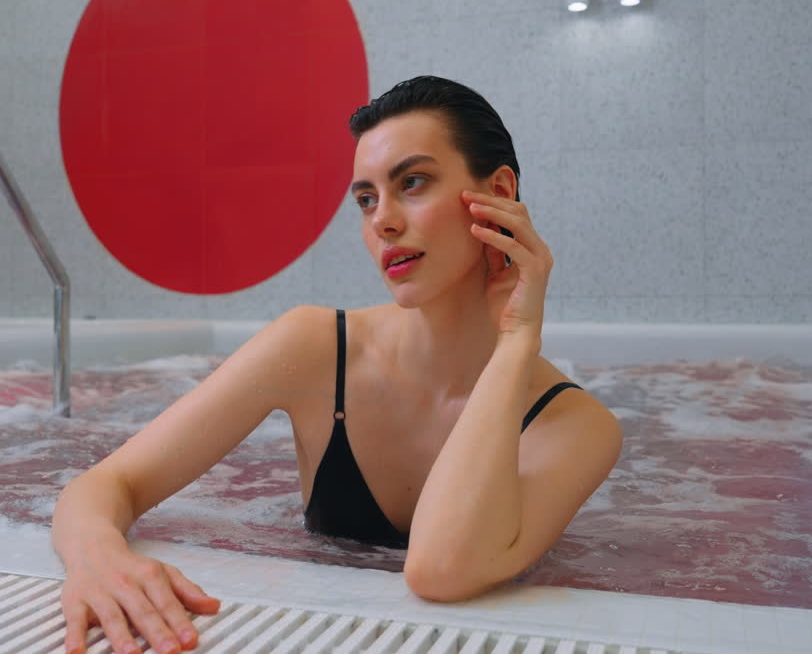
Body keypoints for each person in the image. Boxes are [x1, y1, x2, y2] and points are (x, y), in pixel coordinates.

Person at [51, 75, 624, 654]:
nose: (383, 222)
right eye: (367, 199)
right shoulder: (314, 348)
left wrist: (516, 343)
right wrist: (98, 557)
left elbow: (440, 572)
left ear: (499, 191)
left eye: (414, 182)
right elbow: (105, 484)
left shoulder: (576, 426)